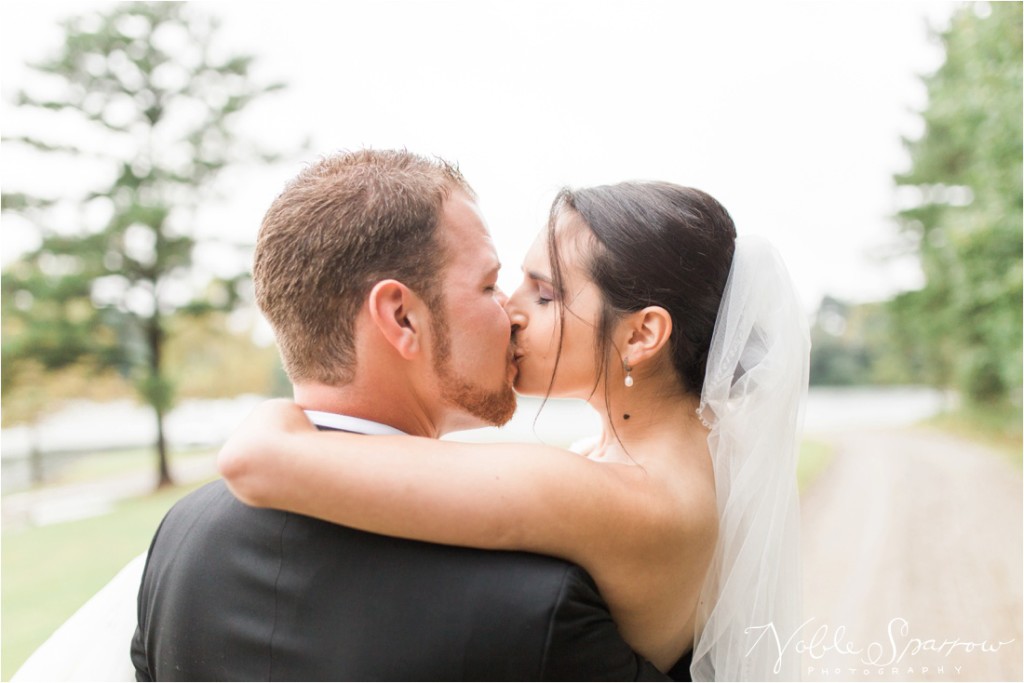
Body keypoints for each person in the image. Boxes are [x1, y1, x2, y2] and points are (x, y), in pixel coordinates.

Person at [218, 180, 811, 680]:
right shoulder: (672, 472)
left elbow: (255, 460)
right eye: (512, 283)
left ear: (640, 335)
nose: (509, 308)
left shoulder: (619, 498)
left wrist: (279, 410)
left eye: (545, 293)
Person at [127, 150, 673, 681]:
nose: (509, 312)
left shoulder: (180, 538)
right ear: (402, 318)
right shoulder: (537, 601)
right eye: (488, 285)